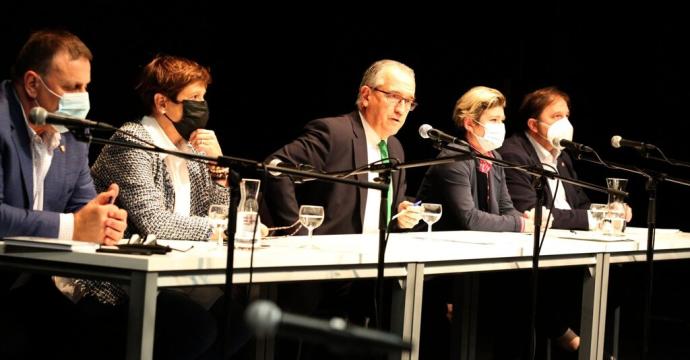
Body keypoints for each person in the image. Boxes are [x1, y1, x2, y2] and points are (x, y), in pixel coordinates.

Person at [0, 31, 215, 359]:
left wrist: (105, 220)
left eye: (86, 86)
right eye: (72, 87)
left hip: (35, 287)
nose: (83, 98)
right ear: (32, 84)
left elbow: (86, 208)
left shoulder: (71, 132)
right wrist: (74, 226)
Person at [90, 54, 254, 356]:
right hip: (120, 281)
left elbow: (212, 213)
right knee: (196, 328)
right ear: (162, 102)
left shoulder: (190, 148)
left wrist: (217, 169)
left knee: (239, 322)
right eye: (193, 98)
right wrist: (227, 231)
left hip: (173, 273)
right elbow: (156, 222)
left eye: (203, 97)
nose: (201, 106)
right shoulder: (131, 142)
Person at [264, 59, 422, 234]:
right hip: (327, 255)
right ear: (366, 95)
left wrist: (400, 216)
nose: (401, 109)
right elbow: (274, 167)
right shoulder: (334, 134)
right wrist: (295, 232)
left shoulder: (395, 148)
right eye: (393, 96)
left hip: (376, 255)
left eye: (408, 101)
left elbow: (385, 210)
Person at [498, 86, 631, 230]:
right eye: (557, 116)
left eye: (566, 116)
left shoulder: (562, 157)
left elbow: (580, 204)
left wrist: (608, 210)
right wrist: (596, 218)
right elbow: (531, 212)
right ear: (533, 125)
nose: (565, 123)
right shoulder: (513, 154)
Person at [416, 86, 539, 232]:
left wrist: (529, 221)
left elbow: (505, 208)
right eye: (494, 120)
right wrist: (520, 225)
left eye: (502, 120)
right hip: (436, 242)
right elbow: (469, 218)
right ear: (469, 124)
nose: (500, 126)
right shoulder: (454, 159)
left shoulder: (494, 157)